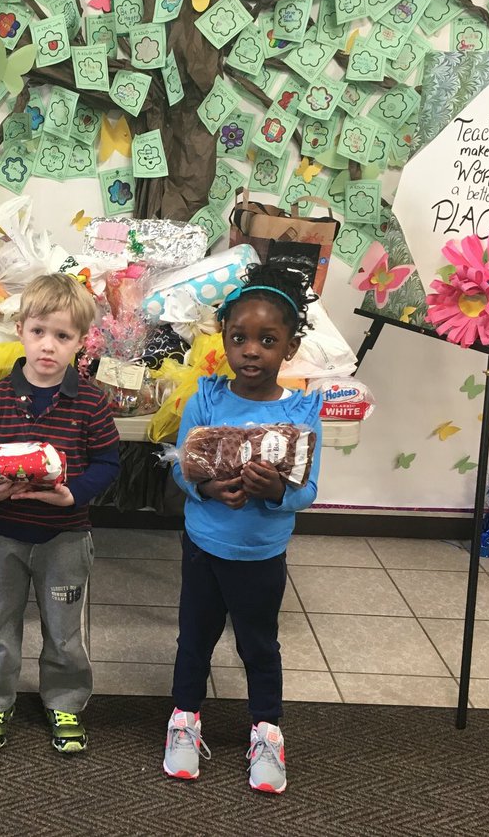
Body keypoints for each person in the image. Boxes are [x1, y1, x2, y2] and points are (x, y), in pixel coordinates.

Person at [161, 259, 323, 794]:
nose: (251, 350)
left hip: (260, 554)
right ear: (224, 342)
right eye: (239, 338)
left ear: (289, 349)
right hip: (205, 545)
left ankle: (266, 730)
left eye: (267, 340)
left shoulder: (301, 412)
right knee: (195, 639)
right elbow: (185, 467)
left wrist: (274, 491)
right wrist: (208, 488)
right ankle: (184, 721)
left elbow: (307, 490)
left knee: (258, 644)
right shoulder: (206, 398)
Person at [0, 273, 120, 753]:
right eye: (39, 332)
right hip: (1, 535)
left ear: (81, 341)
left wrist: (75, 493)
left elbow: (108, 462)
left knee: (64, 629)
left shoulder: (91, 402)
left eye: (63, 336)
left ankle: (66, 702)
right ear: (21, 330)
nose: (48, 346)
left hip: (65, 537)